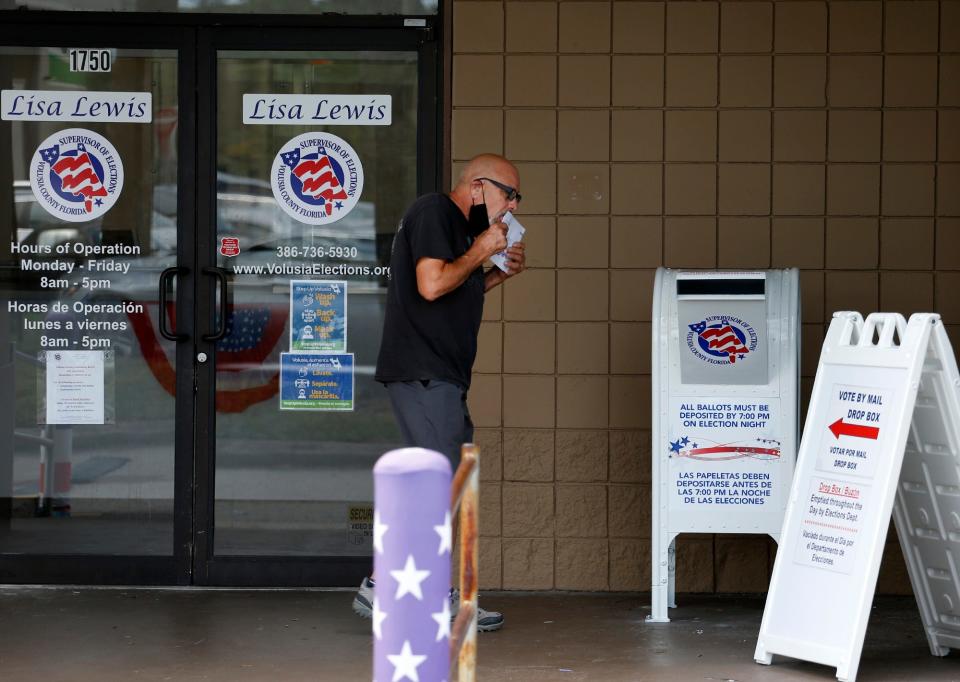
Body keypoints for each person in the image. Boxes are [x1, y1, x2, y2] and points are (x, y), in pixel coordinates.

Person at [352, 154, 527, 632]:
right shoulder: (435, 213)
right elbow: (430, 285)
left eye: (515, 199)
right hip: (424, 372)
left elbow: (454, 289)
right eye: (508, 194)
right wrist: (482, 248)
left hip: (444, 375)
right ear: (476, 187)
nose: (511, 206)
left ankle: (426, 591)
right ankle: (385, 586)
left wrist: (497, 273)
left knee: (446, 485)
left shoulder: (460, 230)